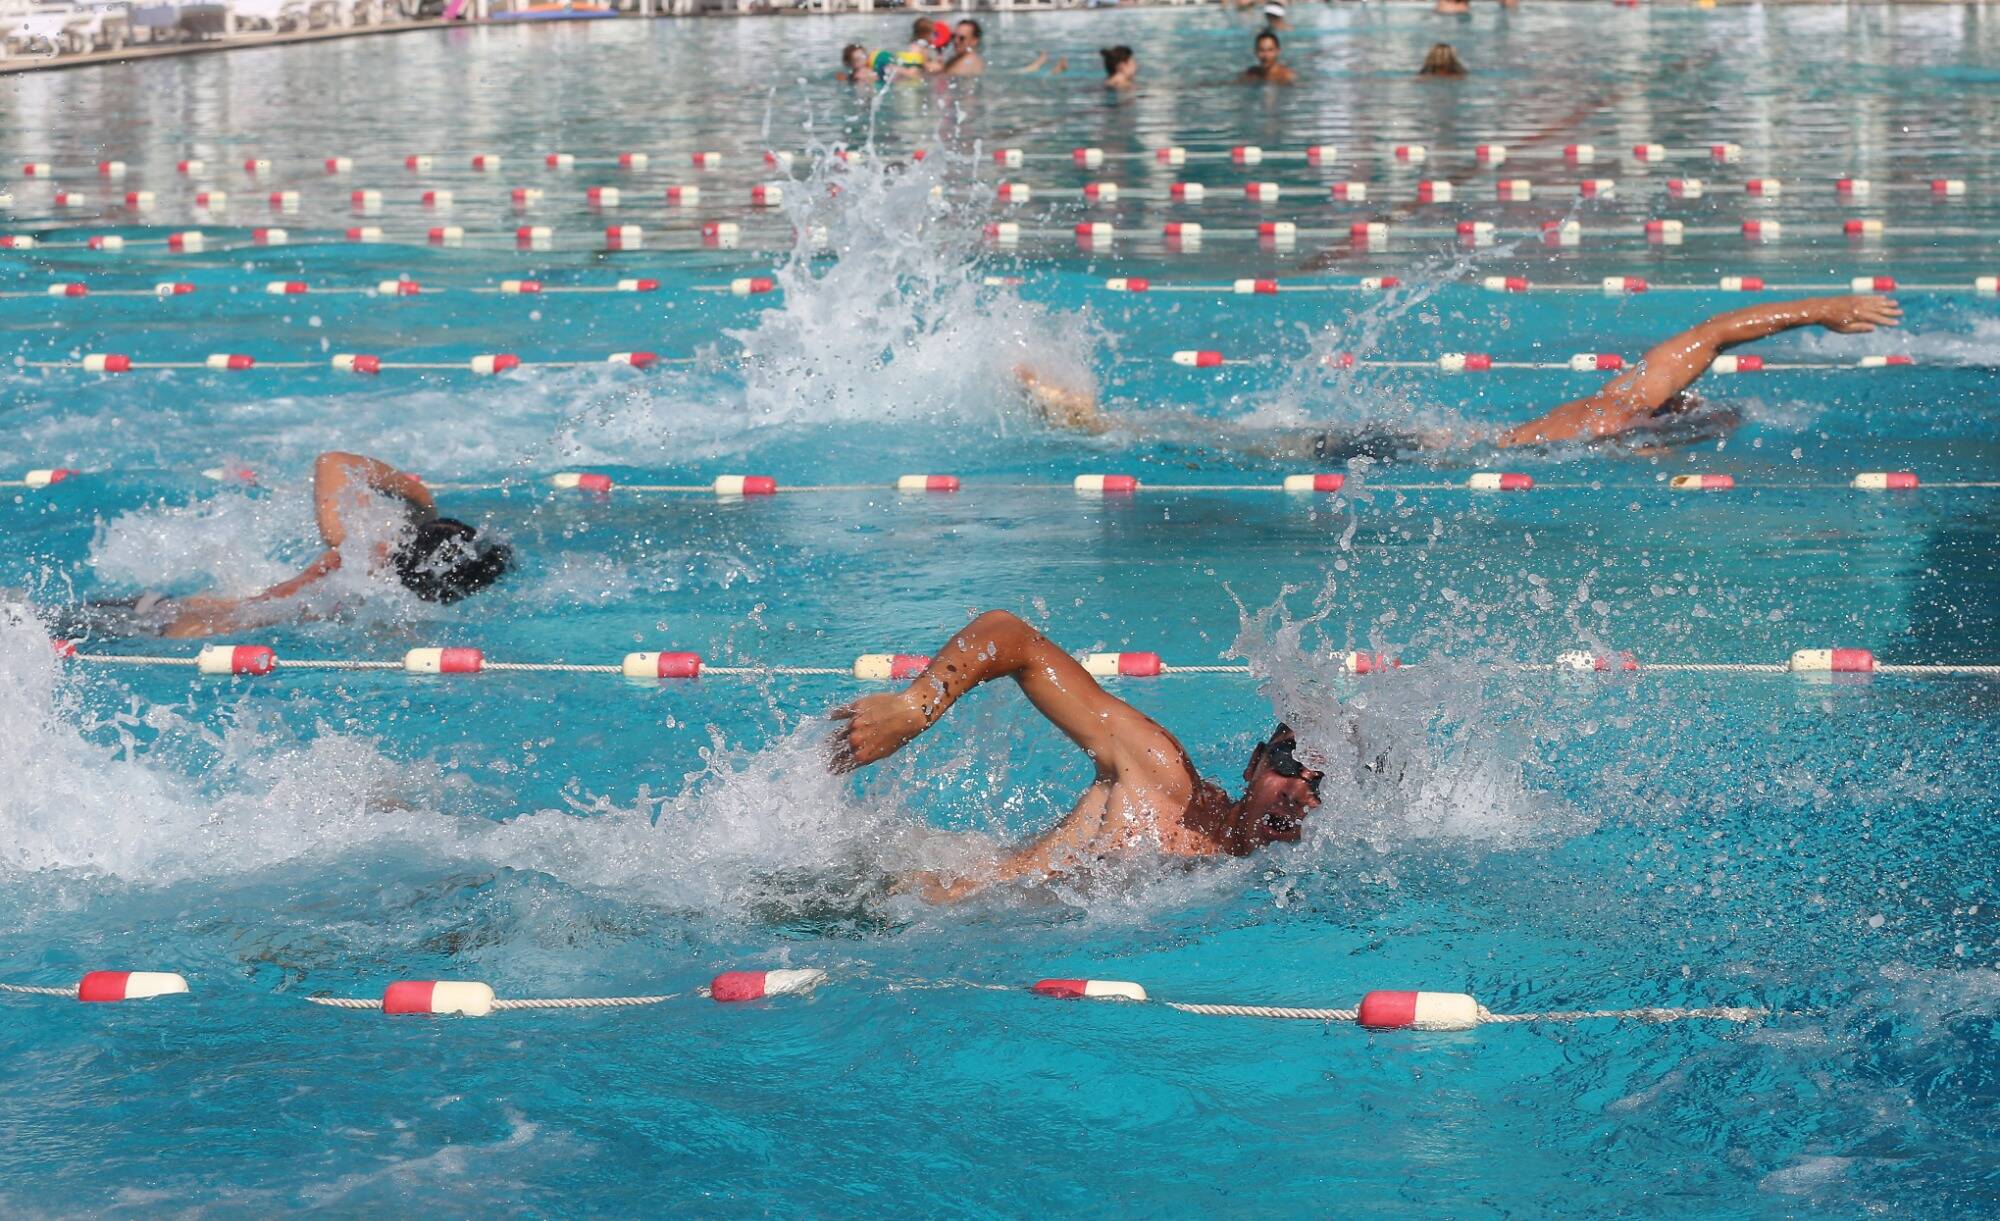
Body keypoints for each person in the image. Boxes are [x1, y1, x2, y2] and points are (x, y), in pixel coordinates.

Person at [1015, 296, 1903, 460]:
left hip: (1428, 445)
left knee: (1247, 440)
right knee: (1243, 446)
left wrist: (1820, 310)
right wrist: (1821, 306)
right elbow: (1711, 334)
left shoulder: (1617, 414)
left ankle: (1098, 421)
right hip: (1415, 451)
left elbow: (1712, 334)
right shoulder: (1627, 416)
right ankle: (1091, 425)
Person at [830, 610, 1325, 903]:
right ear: (1254, 764)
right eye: (1287, 764)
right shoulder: (1160, 780)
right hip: (892, 900)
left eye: (1319, 784)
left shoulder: (1274, 884)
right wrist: (915, 707)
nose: (1298, 790)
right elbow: (1012, 638)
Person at [47, 451, 511, 640]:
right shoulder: (387, 605)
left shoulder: (353, 558)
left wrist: (420, 497)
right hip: (168, 624)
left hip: (159, 624)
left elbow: (333, 462)